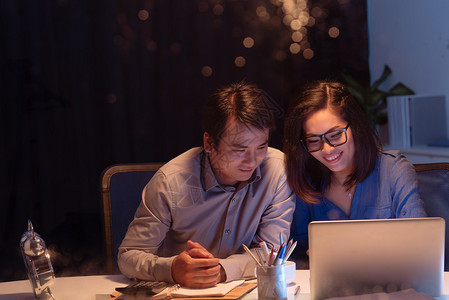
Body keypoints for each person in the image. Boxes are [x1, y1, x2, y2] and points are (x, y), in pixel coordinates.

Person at [118, 82, 295, 288]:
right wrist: (172, 269)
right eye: (240, 149)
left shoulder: (277, 170)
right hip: (182, 291)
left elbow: (272, 254)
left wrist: (222, 270)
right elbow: (127, 257)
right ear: (209, 143)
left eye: (261, 146)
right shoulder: (170, 181)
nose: (253, 160)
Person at [283, 80, 427, 268]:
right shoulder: (306, 182)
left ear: (356, 127)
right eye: (313, 141)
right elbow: (296, 255)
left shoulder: (393, 170)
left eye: (335, 135)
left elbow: (421, 245)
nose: (327, 150)